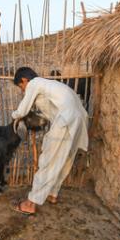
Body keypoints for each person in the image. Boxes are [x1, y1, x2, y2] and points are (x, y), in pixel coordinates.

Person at [11, 67, 88, 215]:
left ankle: (31, 203)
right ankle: (53, 193)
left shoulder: (35, 83)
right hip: (78, 120)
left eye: (21, 87)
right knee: (65, 160)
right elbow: (53, 113)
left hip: (66, 120)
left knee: (48, 161)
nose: (23, 91)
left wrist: (14, 116)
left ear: (25, 80)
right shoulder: (51, 85)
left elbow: (22, 110)